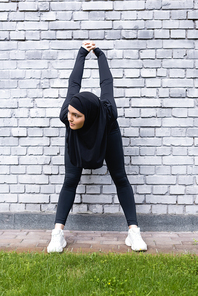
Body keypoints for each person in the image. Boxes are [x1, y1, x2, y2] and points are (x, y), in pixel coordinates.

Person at [47, 41, 147, 253]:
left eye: (76, 116)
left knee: (120, 177)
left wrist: (100, 55)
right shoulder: (67, 116)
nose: (70, 118)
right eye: (70, 114)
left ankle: (134, 231)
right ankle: (57, 234)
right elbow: (74, 83)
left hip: (106, 135)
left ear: (89, 116)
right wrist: (82, 54)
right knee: (70, 180)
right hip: (76, 141)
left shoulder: (108, 113)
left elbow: (106, 82)